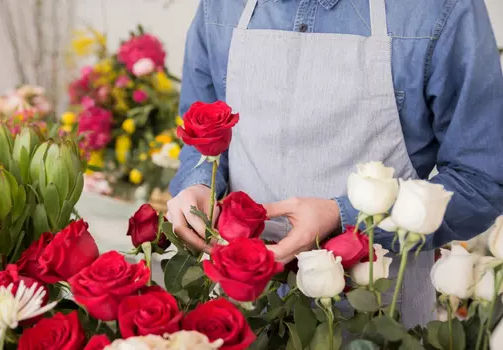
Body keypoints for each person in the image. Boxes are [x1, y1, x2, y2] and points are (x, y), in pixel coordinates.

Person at [168, 0, 503, 328]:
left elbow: (482, 180)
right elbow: (200, 142)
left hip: (378, 314)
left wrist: (344, 218)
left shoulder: (440, 8)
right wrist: (198, 186)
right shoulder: (220, 6)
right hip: (238, 313)